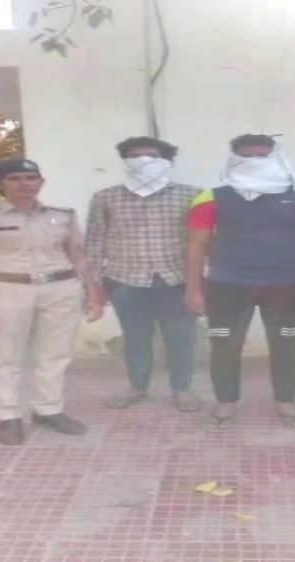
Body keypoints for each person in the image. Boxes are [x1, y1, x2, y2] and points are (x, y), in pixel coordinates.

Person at [185, 134, 295, 431]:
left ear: (277, 157)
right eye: (246, 157)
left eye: (262, 156)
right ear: (233, 158)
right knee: (224, 346)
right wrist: (193, 288)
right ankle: (225, 404)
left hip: (286, 286)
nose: (254, 162)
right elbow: (195, 244)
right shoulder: (211, 198)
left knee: (285, 346)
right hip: (226, 286)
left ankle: (286, 403)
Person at [0, 158, 104, 446]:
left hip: (61, 288)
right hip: (8, 289)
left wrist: (93, 294)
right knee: (6, 355)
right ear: (1, 184)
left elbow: (78, 256)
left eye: (30, 178)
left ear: (41, 182)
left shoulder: (63, 216)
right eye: (15, 178)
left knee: (56, 353)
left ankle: (48, 409)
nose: (24, 184)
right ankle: (8, 416)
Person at [85, 137, 203, 412]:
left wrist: (201, 282)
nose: (143, 160)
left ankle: (182, 389)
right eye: (135, 155)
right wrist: (95, 285)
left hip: (176, 279)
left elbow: (204, 241)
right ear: (125, 161)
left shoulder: (192, 195)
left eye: (151, 155)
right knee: (135, 338)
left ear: (167, 161)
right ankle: (137, 387)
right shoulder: (106, 198)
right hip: (125, 280)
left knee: (181, 338)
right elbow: (95, 242)